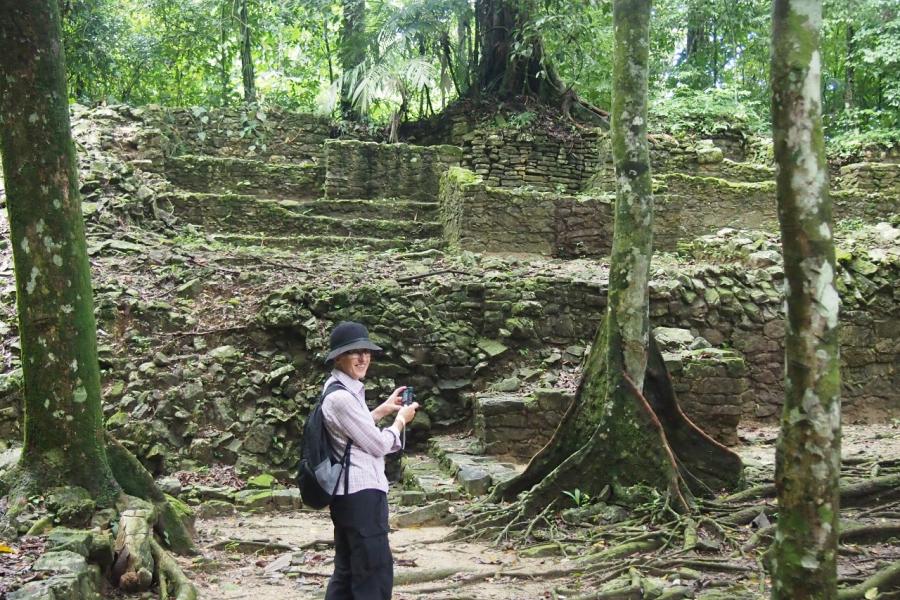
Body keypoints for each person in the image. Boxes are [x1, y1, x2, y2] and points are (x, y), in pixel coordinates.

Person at [321, 320, 419, 600]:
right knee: (373, 572)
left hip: (348, 497)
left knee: (348, 571)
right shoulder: (343, 398)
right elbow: (377, 444)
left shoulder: (338, 389)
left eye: (367, 351)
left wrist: (383, 410)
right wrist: (400, 421)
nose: (364, 358)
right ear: (339, 357)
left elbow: (352, 430)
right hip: (361, 495)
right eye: (355, 352)